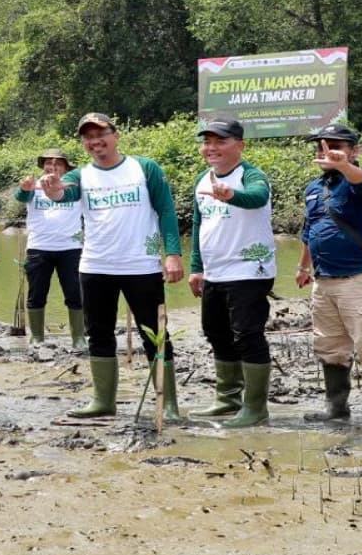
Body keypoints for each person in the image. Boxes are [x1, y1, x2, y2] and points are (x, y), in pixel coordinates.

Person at [39, 113, 186, 419]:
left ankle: (169, 403)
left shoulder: (144, 168)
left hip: (141, 266)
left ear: (115, 135)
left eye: (101, 134)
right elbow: (61, 193)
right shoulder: (81, 175)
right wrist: (51, 188)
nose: (95, 141)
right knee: (99, 333)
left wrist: (172, 254)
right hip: (95, 266)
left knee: (154, 333)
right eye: (88, 137)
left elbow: (166, 212)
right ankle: (103, 401)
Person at [296, 123, 362, 426]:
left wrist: (344, 166)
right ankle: (336, 408)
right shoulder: (314, 189)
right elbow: (310, 229)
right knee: (330, 346)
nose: (326, 151)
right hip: (324, 280)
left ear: (354, 151)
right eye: (321, 147)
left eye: (335, 146)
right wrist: (304, 265)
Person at [187, 118, 277, 427]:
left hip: (250, 270)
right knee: (216, 332)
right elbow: (200, 225)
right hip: (215, 272)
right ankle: (227, 399)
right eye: (207, 142)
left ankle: (255, 408)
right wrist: (196, 268)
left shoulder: (251, 176)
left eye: (220, 141)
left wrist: (230, 196)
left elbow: (258, 197)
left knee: (247, 336)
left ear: (240, 145)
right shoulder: (202, 180)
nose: (211, 148)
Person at [15, 148, 85, 349]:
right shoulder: (33, 186)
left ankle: (78, 338)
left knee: (75, 293)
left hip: (71, 248)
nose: (52, 167)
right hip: (39, 247)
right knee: (37, 293)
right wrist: (24, 188)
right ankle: (37, 337)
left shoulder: (75, 188)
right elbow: (20, 196)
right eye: (48, 164)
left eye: (57, 164)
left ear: (65, 167)